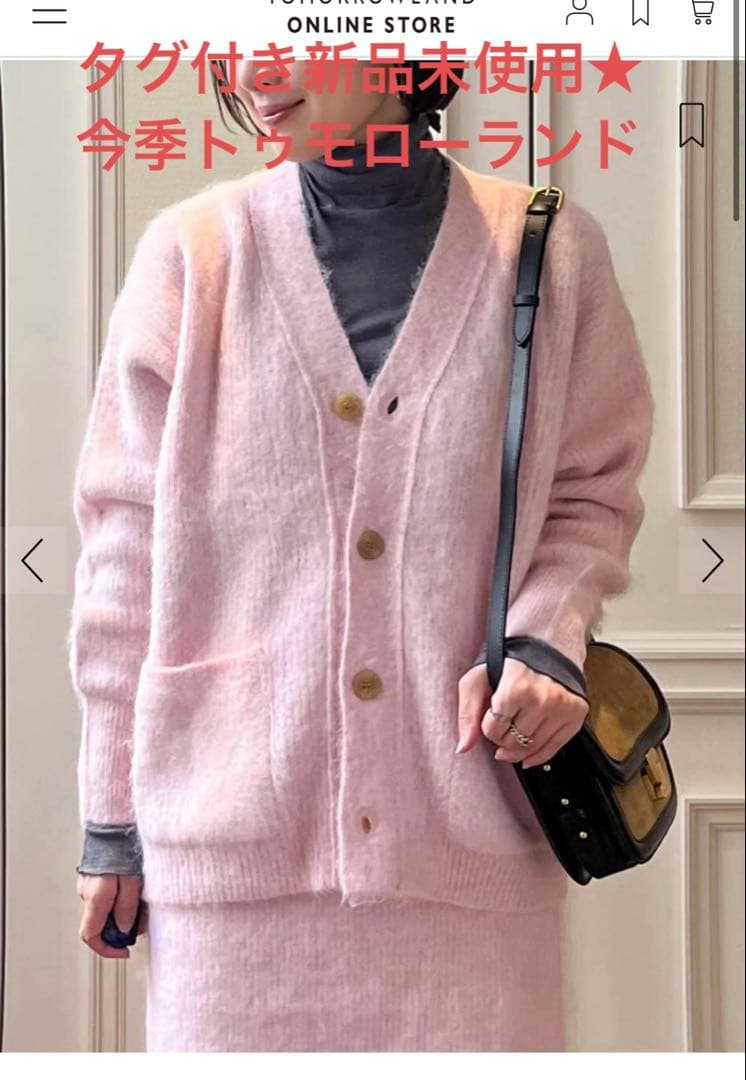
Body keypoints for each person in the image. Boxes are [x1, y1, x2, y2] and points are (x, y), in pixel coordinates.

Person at [70, 58, 654, 1051]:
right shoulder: (192, 257)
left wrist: (545, 638)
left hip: (468, 859)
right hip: (232, 862)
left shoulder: (546, 253)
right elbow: (124, 554)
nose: (251, 67)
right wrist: (110, 820)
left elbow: (589, 491)